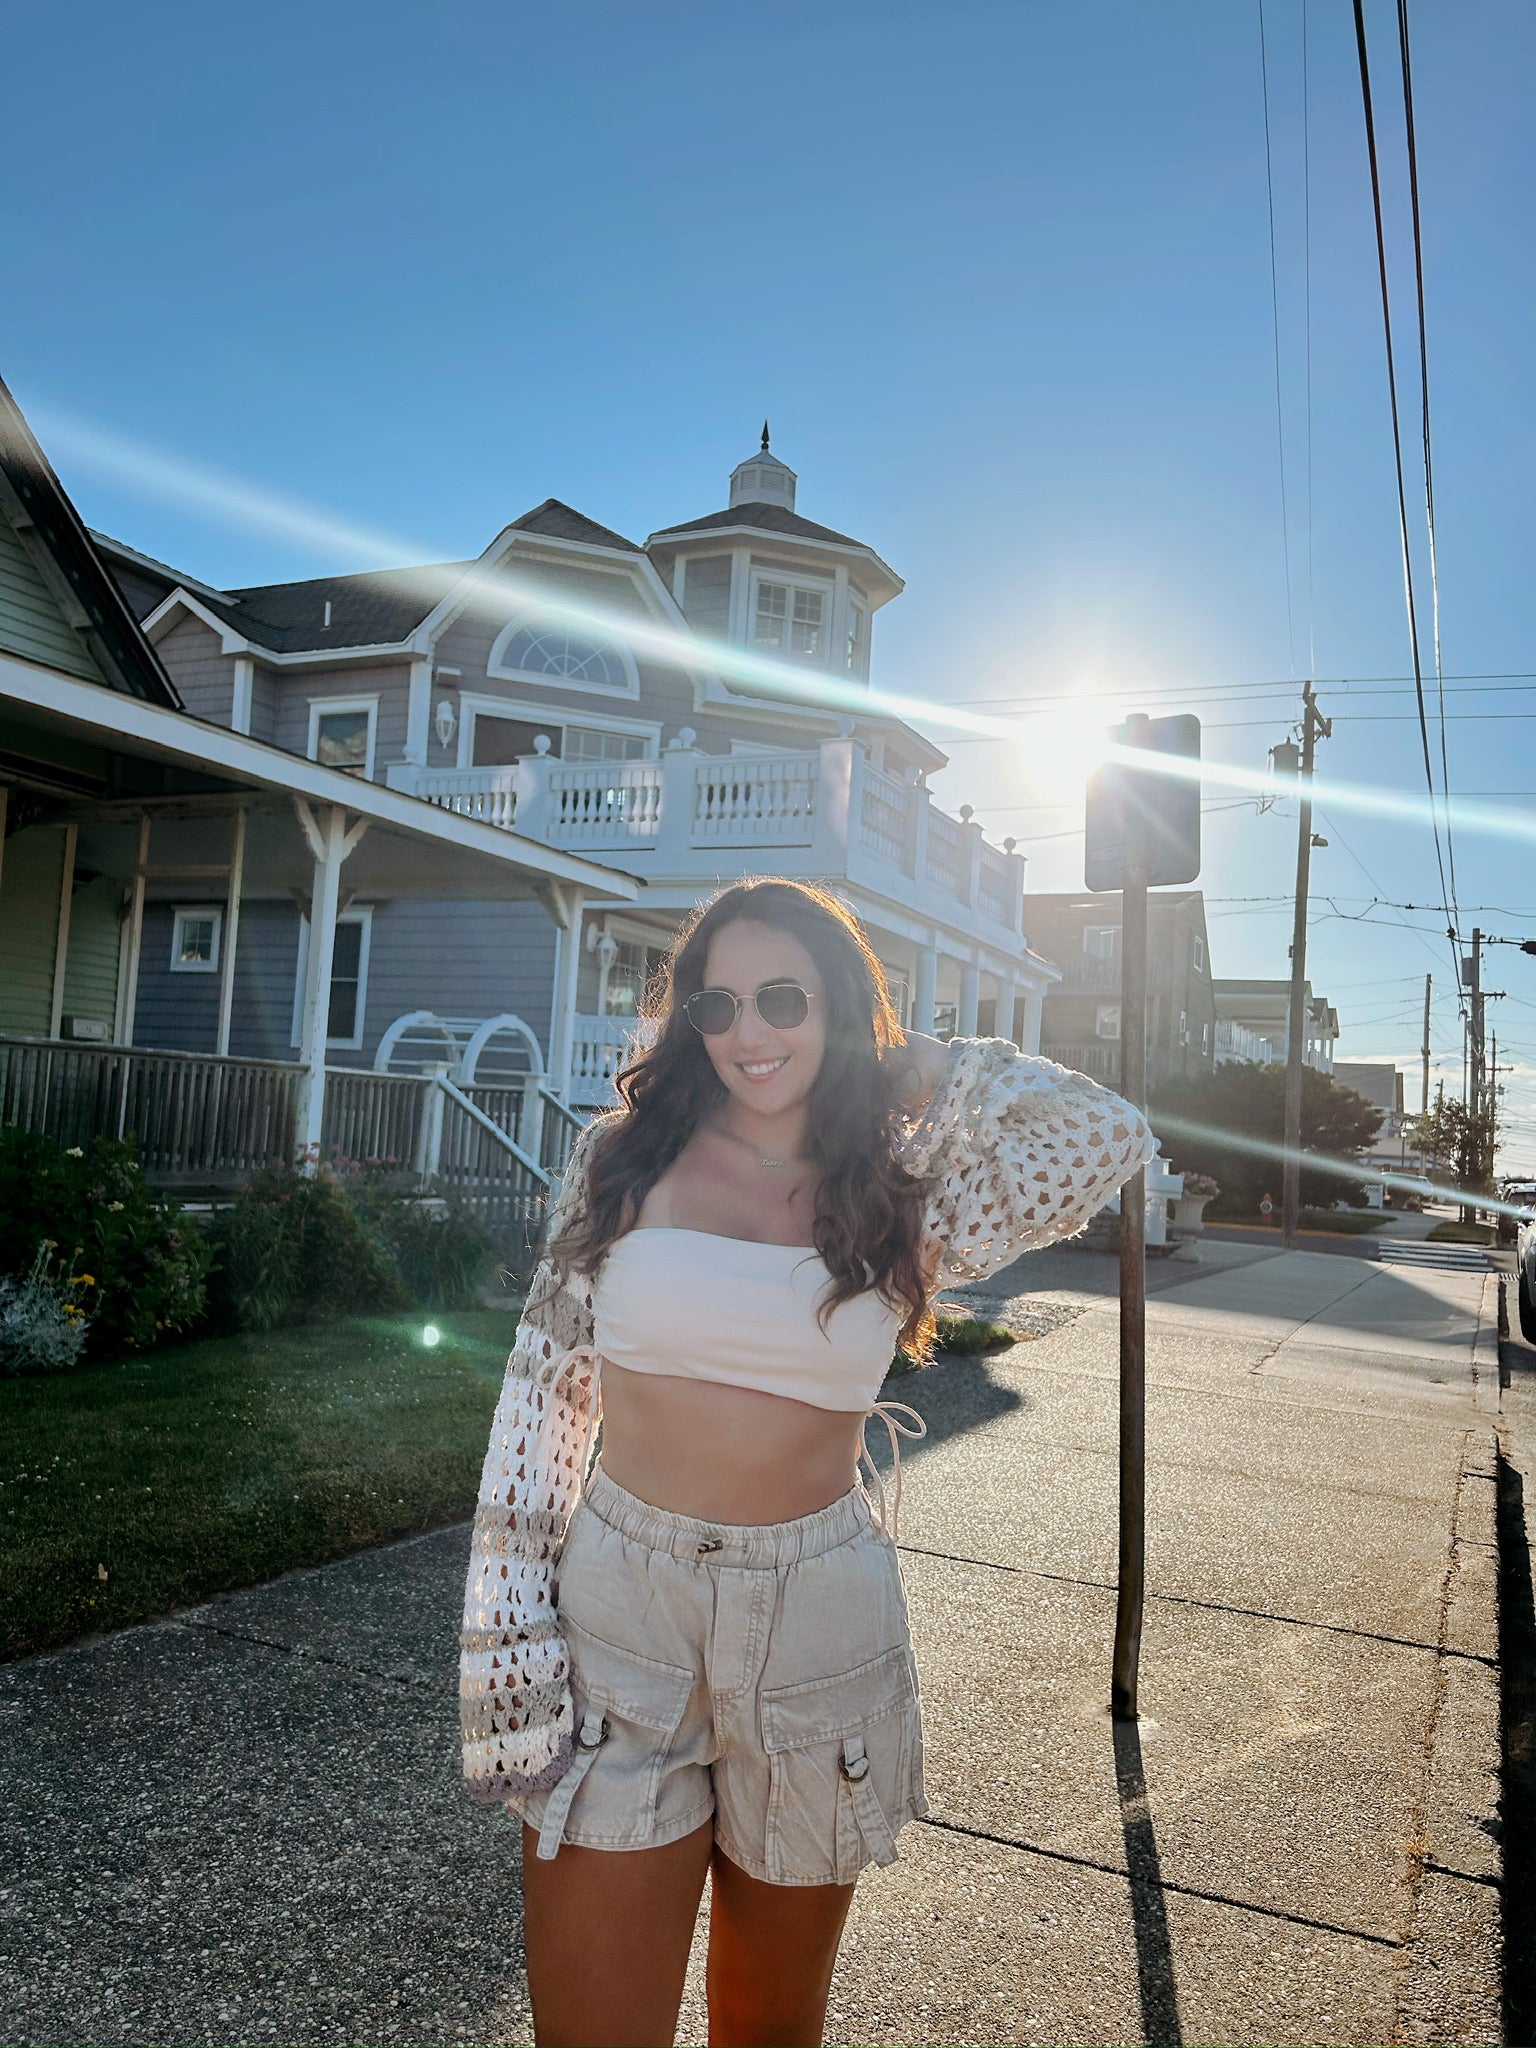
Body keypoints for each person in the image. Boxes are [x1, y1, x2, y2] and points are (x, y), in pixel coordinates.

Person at [460, 878, 1154, 2047]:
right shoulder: (622, 1162)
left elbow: (1109, 1134)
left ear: (837, 1004)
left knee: (768, 2033)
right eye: (717, 1004)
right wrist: (509, 1628)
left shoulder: (903, 1192)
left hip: (817, 1618)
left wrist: (920, 1064)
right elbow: (543, 1401)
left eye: (783, 997)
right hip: (621, 1610)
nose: (748, 1032)